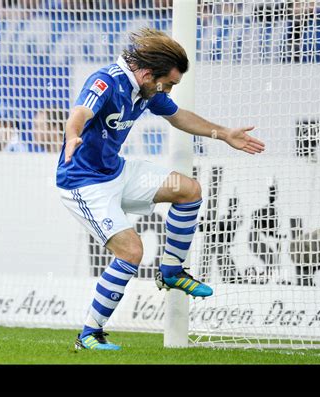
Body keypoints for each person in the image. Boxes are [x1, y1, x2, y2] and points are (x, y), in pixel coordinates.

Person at [56, 28, 265, 351]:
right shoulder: (106, 81)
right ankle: (88, 336)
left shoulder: (147, 90)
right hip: (84, 183)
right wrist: (73, 135)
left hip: (117, 172)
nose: (167, 89)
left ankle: (171, 271)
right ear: (146, 72)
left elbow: (179, 116)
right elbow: (80, 113)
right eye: (167, 83)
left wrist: (222, 133)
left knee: (188, 190)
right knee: (131, 251)